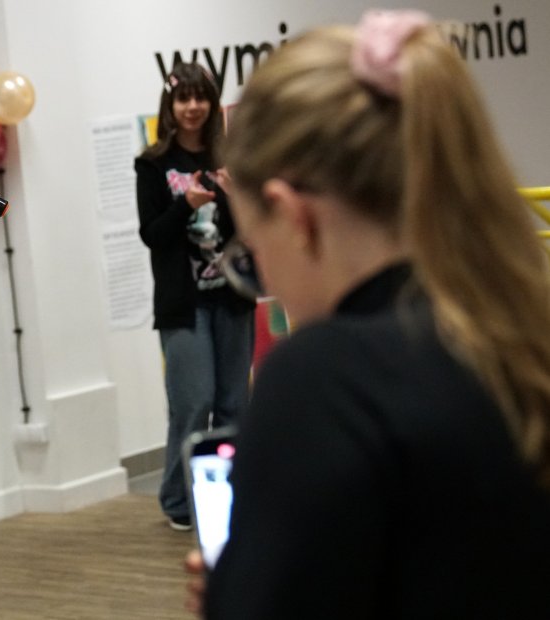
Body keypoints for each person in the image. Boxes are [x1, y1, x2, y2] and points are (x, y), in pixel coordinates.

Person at [185, 10, 550, 619]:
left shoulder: (326, 377)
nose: (263, 277)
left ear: (295, 216)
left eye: (252, 251)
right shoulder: (520, 330)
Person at [135, 62, 256, 531]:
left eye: (200, 97)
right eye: (183, 99)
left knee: (233, 404)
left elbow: (249, 229)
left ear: (211, 103)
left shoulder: (231, 157)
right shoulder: (153, 164)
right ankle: (178, 501)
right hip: (182, 304)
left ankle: (237, 496)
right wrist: (187, 203)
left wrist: (232, 197)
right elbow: (153, 235)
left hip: (231, 296)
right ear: (170, 105)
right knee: (193, 402)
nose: (192, 107)